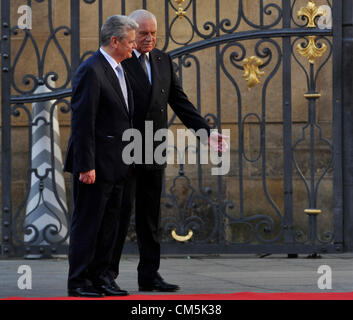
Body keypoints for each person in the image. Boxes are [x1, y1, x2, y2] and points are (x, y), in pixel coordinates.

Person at [109, 9, 228, 292]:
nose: (149, 39)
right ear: (130, 34)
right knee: (120, 213)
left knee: (150, 216)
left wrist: (206, 133)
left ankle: (149, 275)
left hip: (154, 147)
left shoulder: (163, 60)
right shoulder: (120, 61)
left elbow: (179, 101)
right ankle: (107, 276)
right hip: (125, 149)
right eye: (142, 34)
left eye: (153, 33)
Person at [63, 15, 138, 297]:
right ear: (114, 40)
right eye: (130, 42)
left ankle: (102, 278)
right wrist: (86, 165)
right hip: (94, 166)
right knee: (88, 225)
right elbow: (83, 122)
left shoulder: (121, 70)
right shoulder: (91, 70)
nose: (133, 47)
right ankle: (79, 281)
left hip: (118, 164)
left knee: (110, 226)